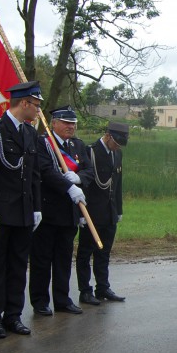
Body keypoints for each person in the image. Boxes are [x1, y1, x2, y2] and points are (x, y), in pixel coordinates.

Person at [0, 82, 73, 338]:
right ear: (25, 103)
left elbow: (34, 175)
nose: (39, 112)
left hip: (23, 212)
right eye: (37, 106)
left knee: (18, 266)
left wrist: (37, 208)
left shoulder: (30, 134)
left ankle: (13, 315)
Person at [29, 106, 92, 316]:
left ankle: (62, 299)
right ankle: (40, 301)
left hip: (70, 212)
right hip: (47, 211)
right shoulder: (43, 143)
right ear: (54, 123)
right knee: (42, 260)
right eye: (65, 122)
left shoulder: (78, 145)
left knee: (64, 260)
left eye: (73, 123)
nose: (70, 127)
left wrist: (79, 179)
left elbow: (88, 170)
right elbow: (45, 171)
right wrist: (68, 186)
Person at [77, 121, 129, 305]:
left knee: (104, 252)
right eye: (116, 142)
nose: (117, 147)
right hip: (92, 212)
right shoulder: (89, 151)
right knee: (85, 253)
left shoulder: (117, 153)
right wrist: (81, 213)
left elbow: (118, 184)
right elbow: (84, 184)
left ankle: (103, 287)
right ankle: (85, 290)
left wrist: (119, 210)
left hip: (110, 212)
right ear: (108, 136)